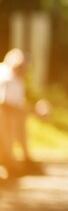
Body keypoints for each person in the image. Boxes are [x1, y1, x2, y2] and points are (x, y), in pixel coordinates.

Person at [0, 48, 44, 178]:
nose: (24, 70)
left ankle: (23, 159)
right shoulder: (5, 76)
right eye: (21, 67)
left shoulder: (17, 78)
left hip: (11, 113)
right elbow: (4, 102)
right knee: (9, 120)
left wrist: (33, 110)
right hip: (4, 113)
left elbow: (19, 102)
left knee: (19, 120)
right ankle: (10, 161)